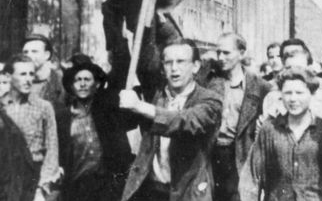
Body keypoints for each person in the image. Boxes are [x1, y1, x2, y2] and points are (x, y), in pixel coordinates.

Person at [119, 39, 223, 201]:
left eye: (181, 61)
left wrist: (139, 106)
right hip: (151, 191)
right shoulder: (156, 95)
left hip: (188, 193)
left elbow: (185, 122)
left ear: (195, 66)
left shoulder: (210, 100)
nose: (174, 68)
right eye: (168, 62)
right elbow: (145, 52)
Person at [238, 68, 322, 201]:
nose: (293, 99)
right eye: (288, 93)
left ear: (312, 94)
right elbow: (251, 178)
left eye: (299, 93)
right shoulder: (269, 130)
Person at [0, 53, 60, 201]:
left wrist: (41, 189)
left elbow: (52, 151)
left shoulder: (44, 108)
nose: (28, 79)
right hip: (0, 184)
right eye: (23, 74)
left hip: (32, 182)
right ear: (8, 76)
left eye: (31, 74)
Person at [202, 33, 271, 201]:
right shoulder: (210, 81)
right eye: (218, 53)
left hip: (239, 155)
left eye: (226, 53)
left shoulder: (260, 86)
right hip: (211, 152)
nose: (220, 57)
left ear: (241, 53)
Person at [60, 56, 134, 201]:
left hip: (107, 186)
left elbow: (121, 67)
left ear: (97, 84)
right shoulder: (64, 117)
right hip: (77, 187)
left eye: (87, 80)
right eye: (77, 80)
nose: (82, 84)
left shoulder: (107, 109)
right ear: (71, 86)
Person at [22, 35, 64, 105]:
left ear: (46, 55)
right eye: (25, 52)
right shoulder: (18, 81)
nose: (29, 55)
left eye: (34, 51)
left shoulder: (60, 80)